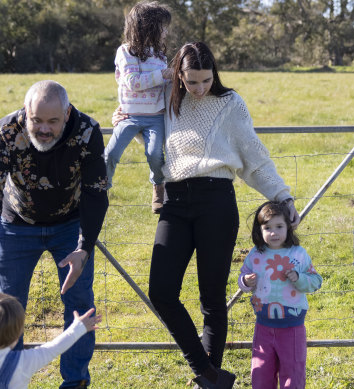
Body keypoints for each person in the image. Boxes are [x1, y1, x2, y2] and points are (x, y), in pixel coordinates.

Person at [141, 42, 301, 389]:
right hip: (176, 202)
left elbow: (254, 156)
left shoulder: (231, 104)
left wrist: (282, 196)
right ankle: (210, 374)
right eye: (191, 81)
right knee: (161, 290)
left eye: (206, 80)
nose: (199, 89)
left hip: (216, 200)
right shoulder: (166, 101)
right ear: (178, 76)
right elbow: (134, 109)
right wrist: (122, 118)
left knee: (211, 297)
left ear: (215, 74)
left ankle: (207, 381)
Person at [0, 80, 109, 389]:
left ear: (67, 113)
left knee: (78, 302)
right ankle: (4, 379)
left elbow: (95, 193)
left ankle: (75, 381)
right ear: (26, 112)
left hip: (70, 225)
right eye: (36, 120)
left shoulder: (87, 131)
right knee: (5, 306)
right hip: (16, 224)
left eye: (53, 121)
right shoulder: (5, 132)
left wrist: (84, 247)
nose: (44, 129)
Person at [238, 201, 322, 389]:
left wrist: (299, 278)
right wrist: (245, 281)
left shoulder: (299, 254)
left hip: (292, 328)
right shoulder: (255, 255)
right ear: (259, 230)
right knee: (261, 373)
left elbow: (316, 281)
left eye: (279, 227)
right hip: (263, 327)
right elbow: (242, 278)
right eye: (267, 228)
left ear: (288, 227)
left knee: (293, 373)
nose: (273, 233)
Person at [104, 1, 172, 214]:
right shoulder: (126, 52)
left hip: (156, 117)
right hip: (130, 116)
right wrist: (162, 75)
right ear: (147, 27)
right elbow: (133, 81)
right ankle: (100, 190)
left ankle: (158, 186)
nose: (166, 31)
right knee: (111, 154)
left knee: (155, 155)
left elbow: (166, 88)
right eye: (162, 26)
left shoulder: (161, 56)